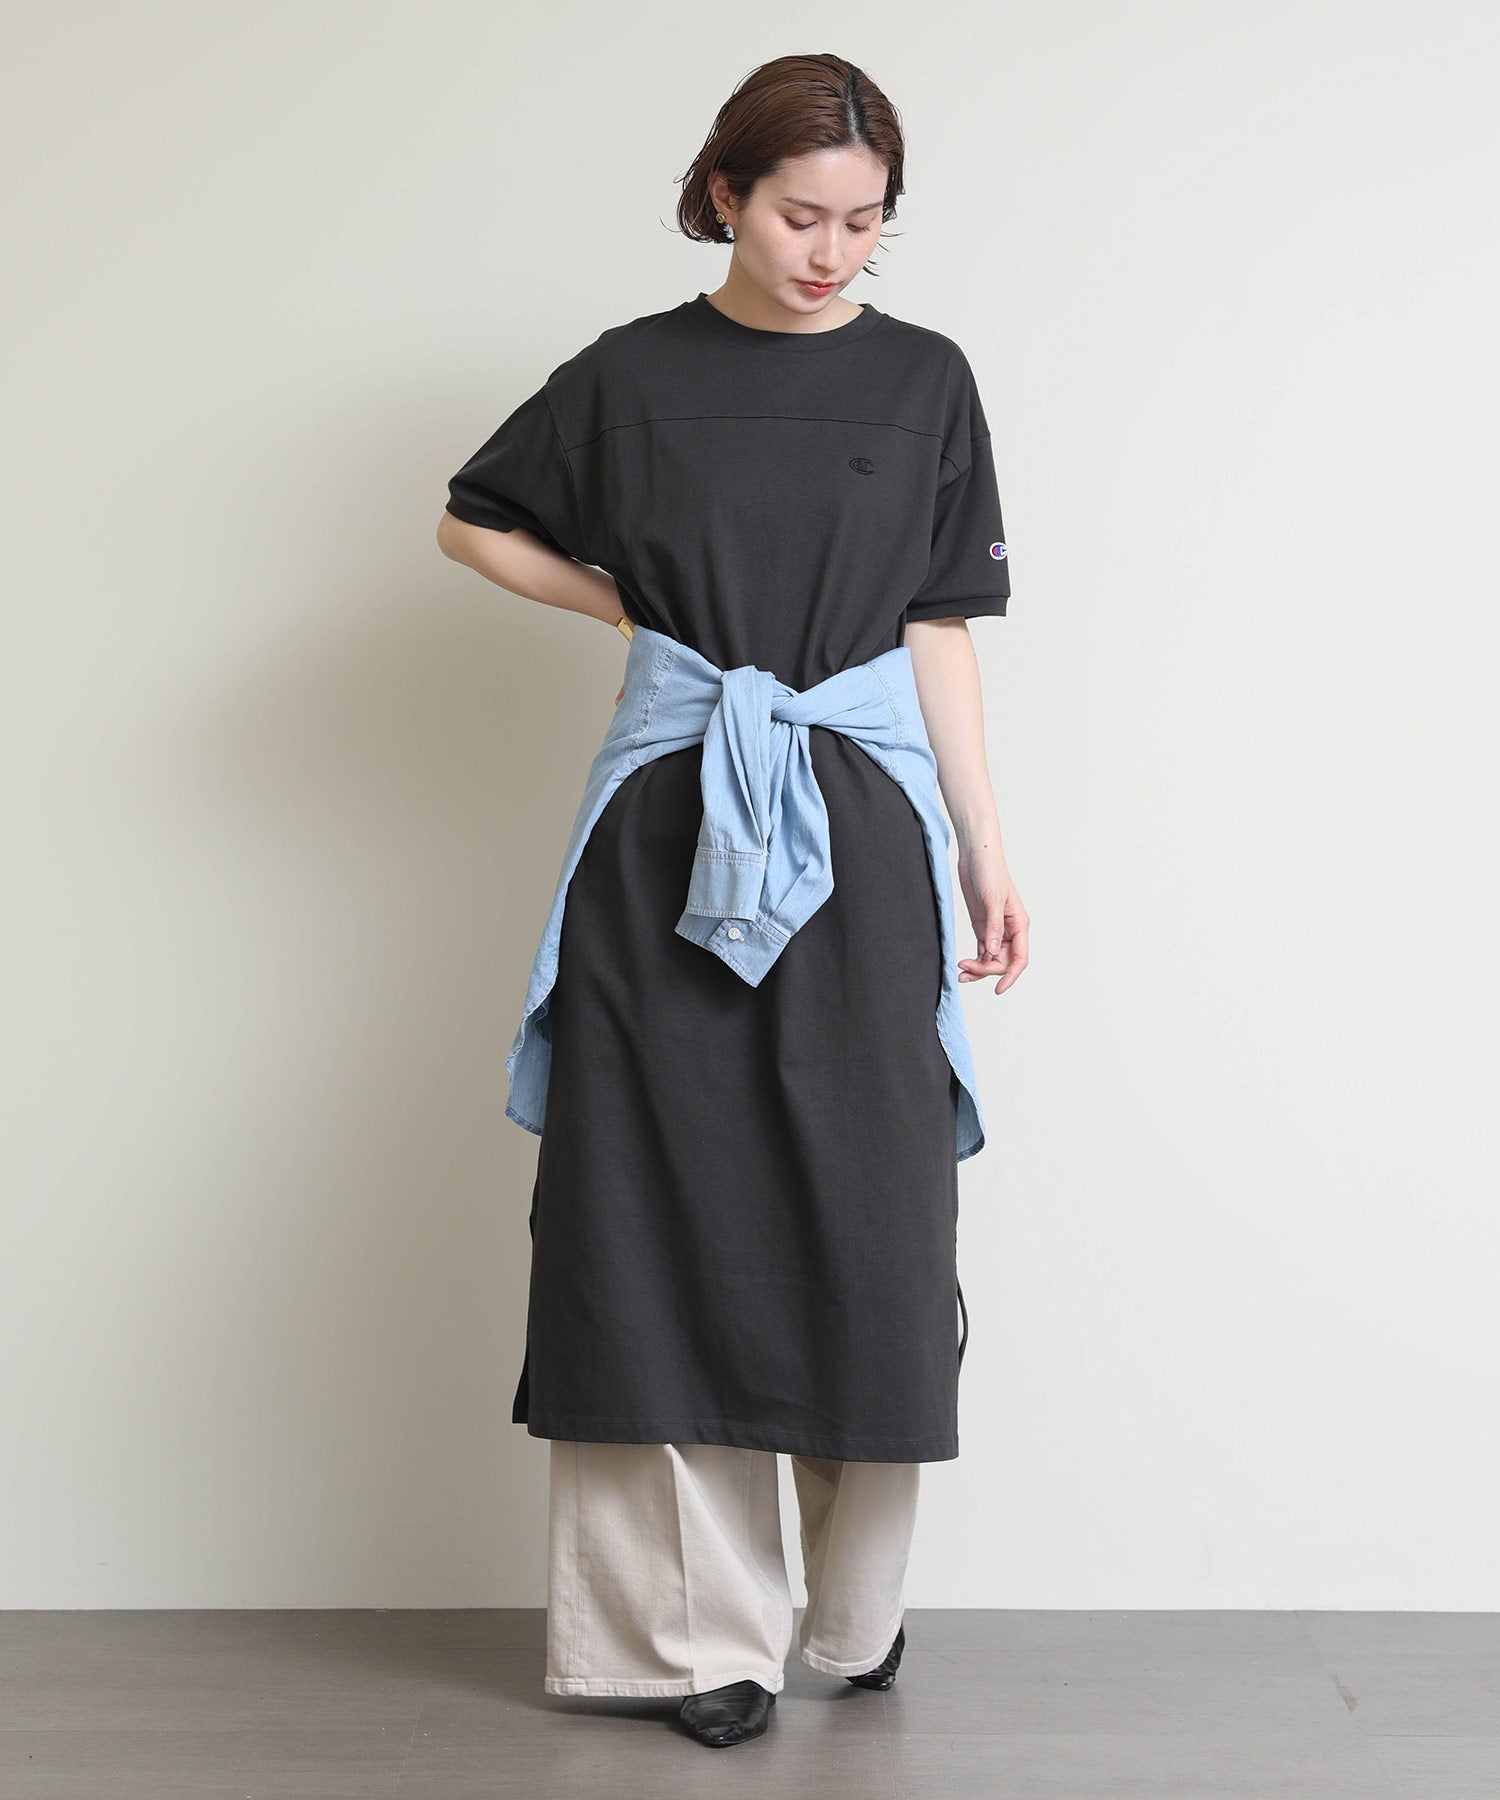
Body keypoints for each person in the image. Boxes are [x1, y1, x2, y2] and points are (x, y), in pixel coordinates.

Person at [436, 52, 1030, 1750]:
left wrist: (984, 844)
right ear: (724, 196)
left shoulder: (925, 380)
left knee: (870, 1211)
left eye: (865, 223)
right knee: (655, 1208)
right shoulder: (628, 378)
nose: (832, 252)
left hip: (863, 825)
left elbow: (934, 623)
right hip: (666, 825)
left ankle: (850, 1612)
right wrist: (634, 616)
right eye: (799, 216)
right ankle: (688, 1639)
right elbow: (471, 524)